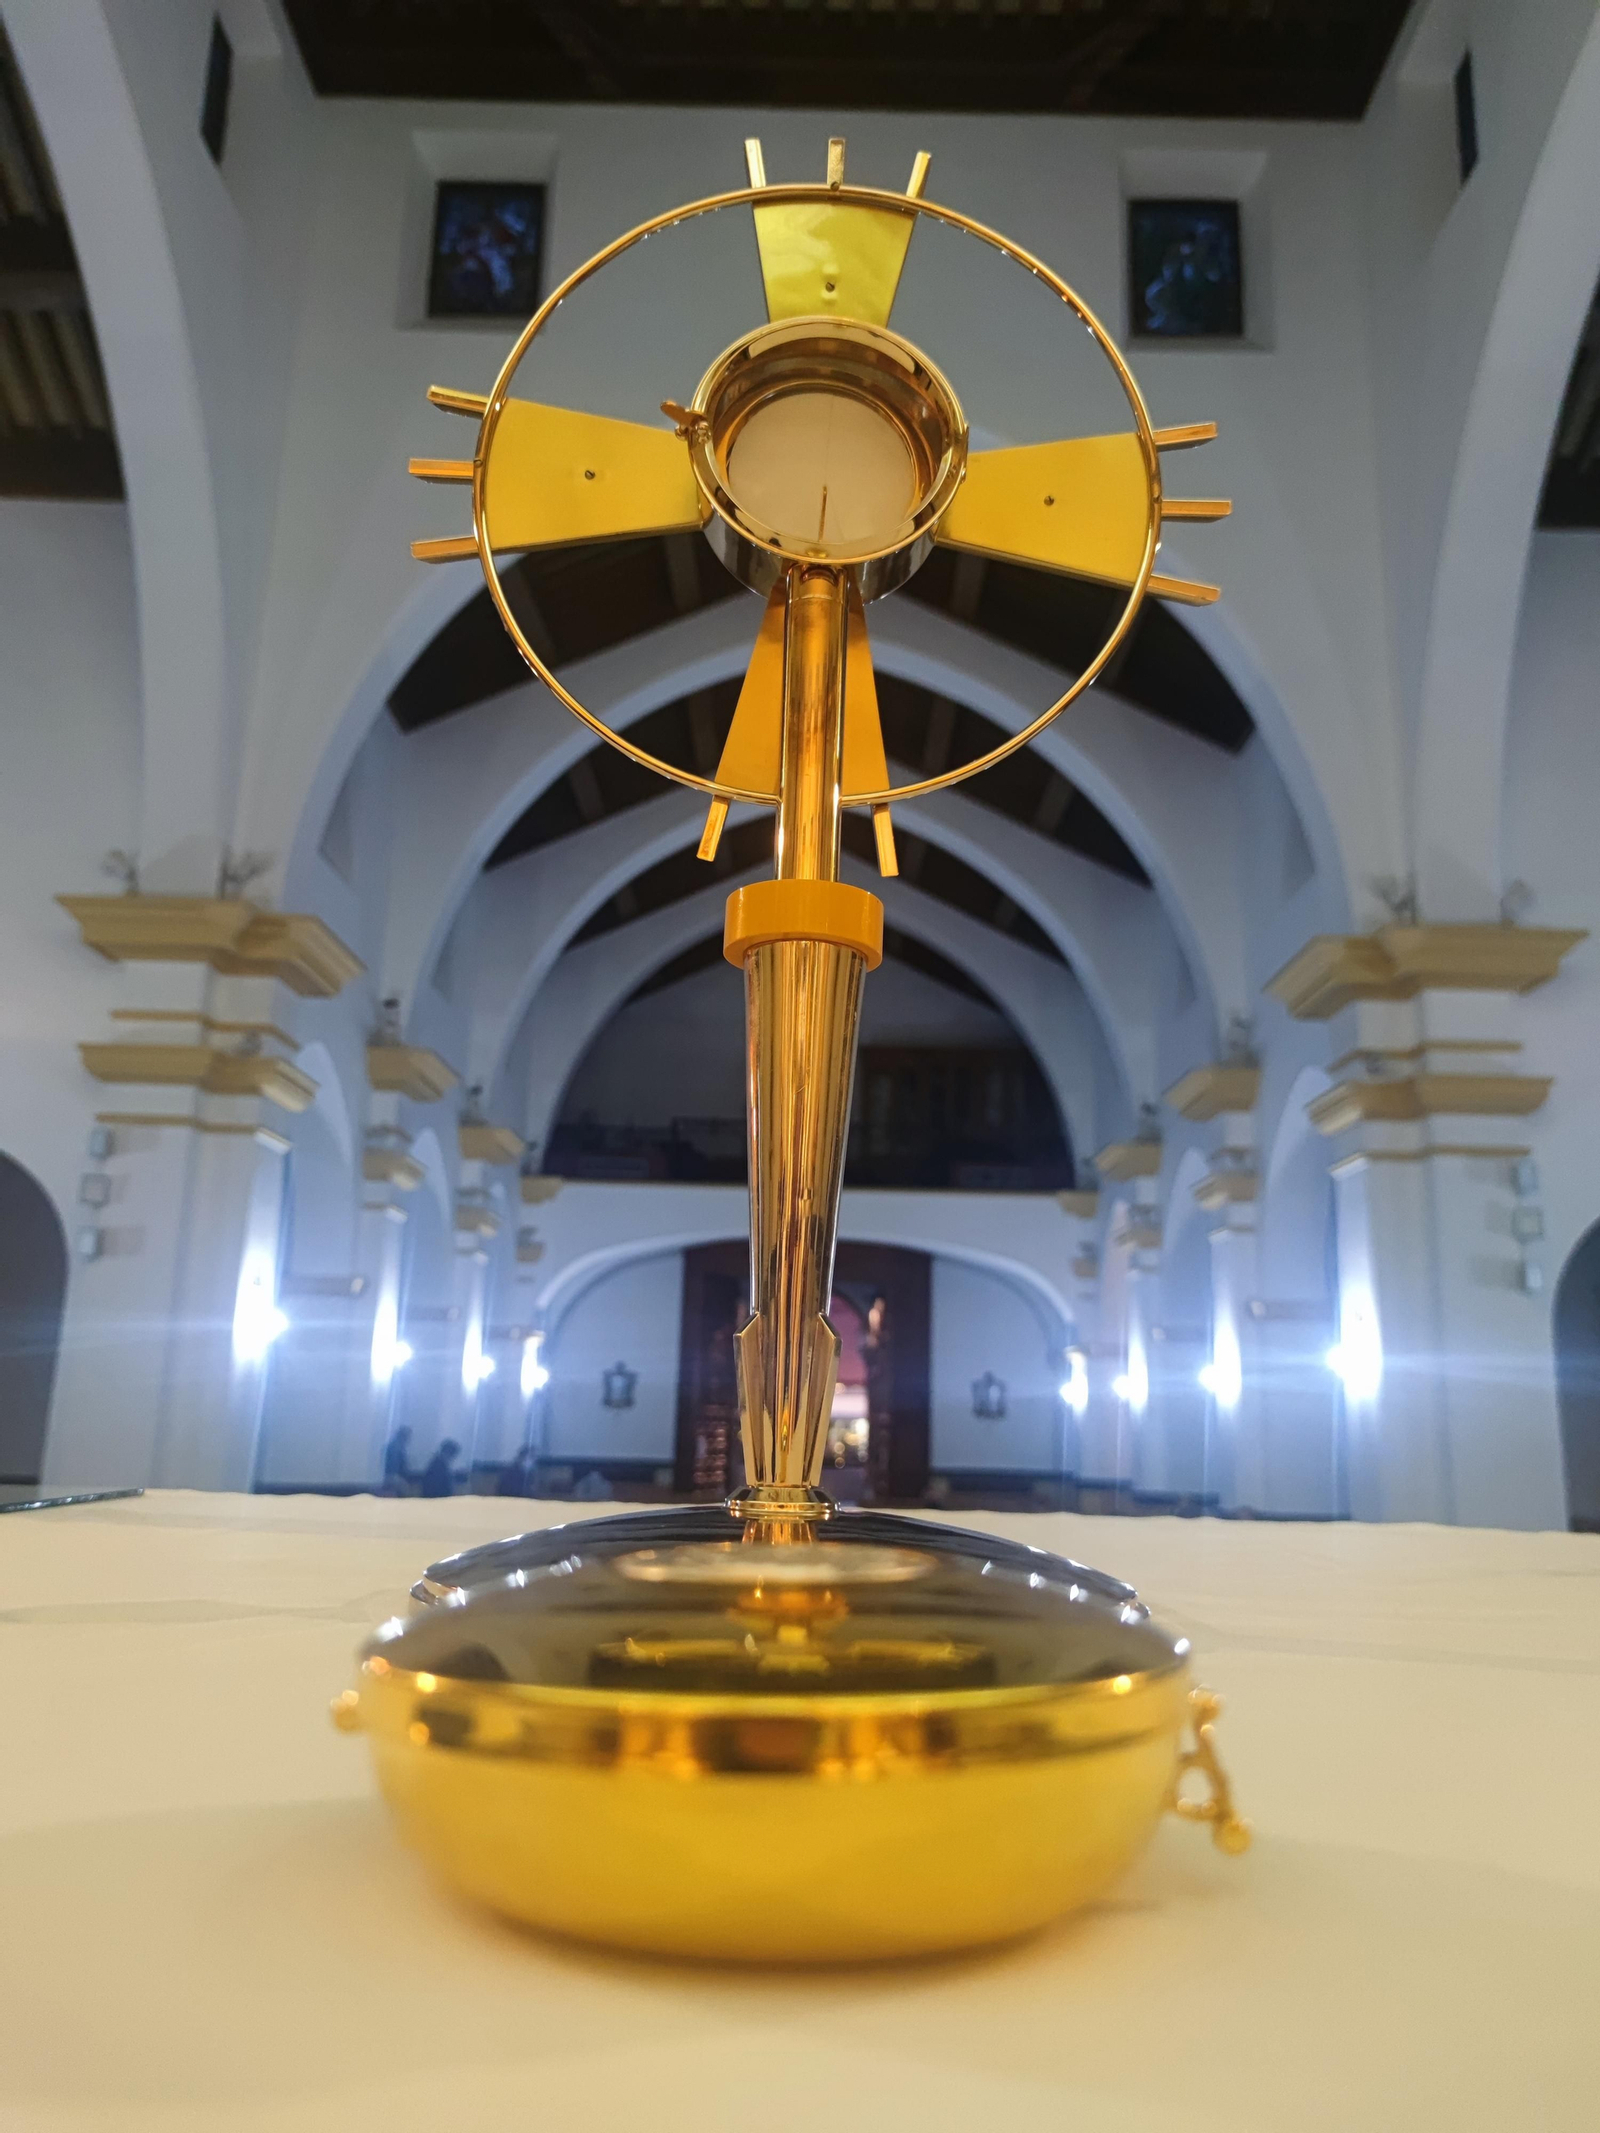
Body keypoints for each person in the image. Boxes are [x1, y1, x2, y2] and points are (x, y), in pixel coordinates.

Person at [381, 1424, 414, 1497]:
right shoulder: (396, 1448)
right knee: (409, 1494)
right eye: (407, 1436)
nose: (409, 1439)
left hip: (393, 1477)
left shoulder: (395, 1446)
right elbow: (397, 1466)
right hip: (394, 1477)